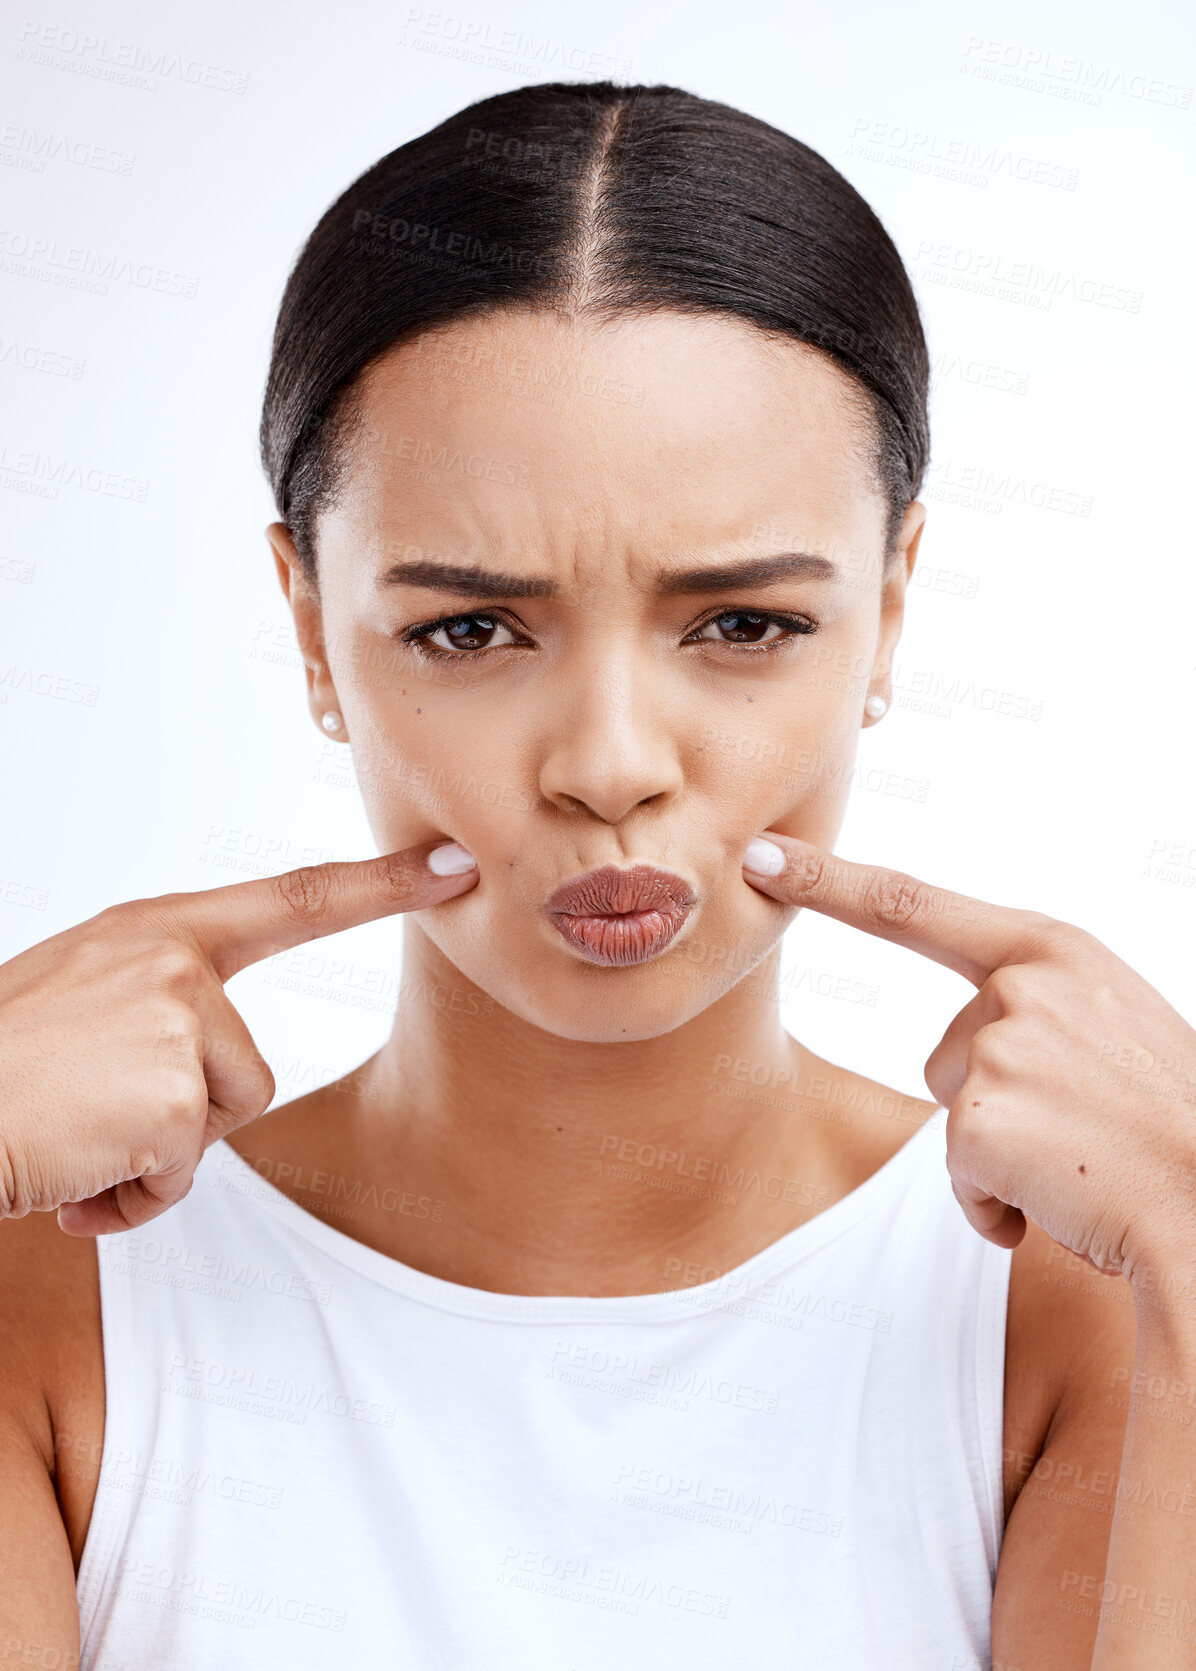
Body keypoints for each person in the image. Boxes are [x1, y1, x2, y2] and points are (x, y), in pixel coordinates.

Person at [1, 79, 1193, 1670]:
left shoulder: (1093, 1306)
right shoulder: (56, 1295)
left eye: (743, 623)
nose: (611, 760)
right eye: (471, 629)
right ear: (310, 626)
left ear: (892, 605)